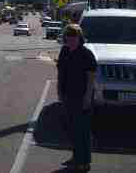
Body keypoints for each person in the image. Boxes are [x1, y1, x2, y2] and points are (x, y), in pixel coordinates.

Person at [57, 24, 97, 172]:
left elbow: (91, 76)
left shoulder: (86, 54)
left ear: (79, 38)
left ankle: (85, 162)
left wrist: (87, 97)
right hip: (67, 95)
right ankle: (76, 157)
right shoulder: (64, 51)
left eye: (74, 37)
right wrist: (59, 91)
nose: (71, 40)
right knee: (72, 129)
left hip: (82, 96)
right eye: (68, 37)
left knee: (83, 130)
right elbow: (61, 72)